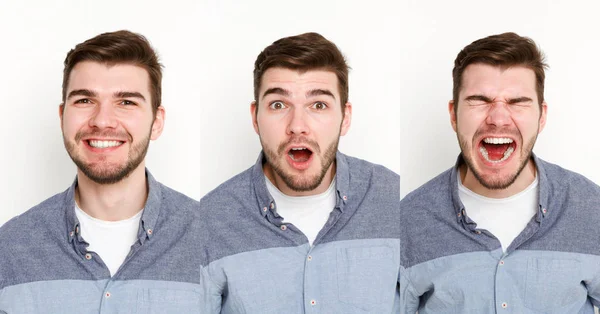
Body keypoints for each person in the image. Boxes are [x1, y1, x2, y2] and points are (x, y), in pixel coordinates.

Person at [0, 30, 203, 313]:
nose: (102, 120)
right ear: (62, 117)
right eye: (85, 101)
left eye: (126, 102)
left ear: (157, 122)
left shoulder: (215, 242)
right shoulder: (9, 249)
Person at [198, 32, 400, 313]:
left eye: (318, 105)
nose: (297, 125)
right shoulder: (207, 221)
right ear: (255, 117)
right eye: (278, 105)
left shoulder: (396, 202)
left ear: (346, 117)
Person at [399, 32, 600, 313]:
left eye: (517, 101)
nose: (498, 118)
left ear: (542, 116)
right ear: (454, 114)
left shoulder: (592, 208)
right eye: (480, 99)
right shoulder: (406, 221)